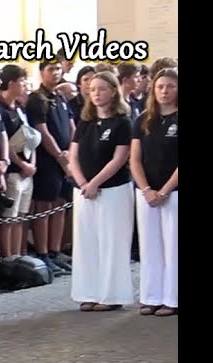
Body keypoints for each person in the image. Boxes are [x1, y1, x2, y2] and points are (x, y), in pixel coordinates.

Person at [68, 71, 135, 312]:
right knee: (87, 242)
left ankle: (111, 294)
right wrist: (82, 182)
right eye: (93, 89)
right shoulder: (85, 122)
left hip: (113, 189)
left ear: (114, 91)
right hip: (84, 191)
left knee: (111, 242)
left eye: (102, 89)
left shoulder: (122, 123)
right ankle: (88, 291)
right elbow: (73, 155)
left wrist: (95, 182)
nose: (96, 94)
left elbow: (119, 158)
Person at [129, 67, 178, 316]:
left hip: (173, 193)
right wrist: (146, 189)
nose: (164, 91)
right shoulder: (143, 119)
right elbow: (135, 159)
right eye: (160, 86)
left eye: (170, 86)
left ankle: (173, 298)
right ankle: (152, 295)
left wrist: (165, 190)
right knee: (150, 246)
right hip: (147, 193)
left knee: (173, 246)